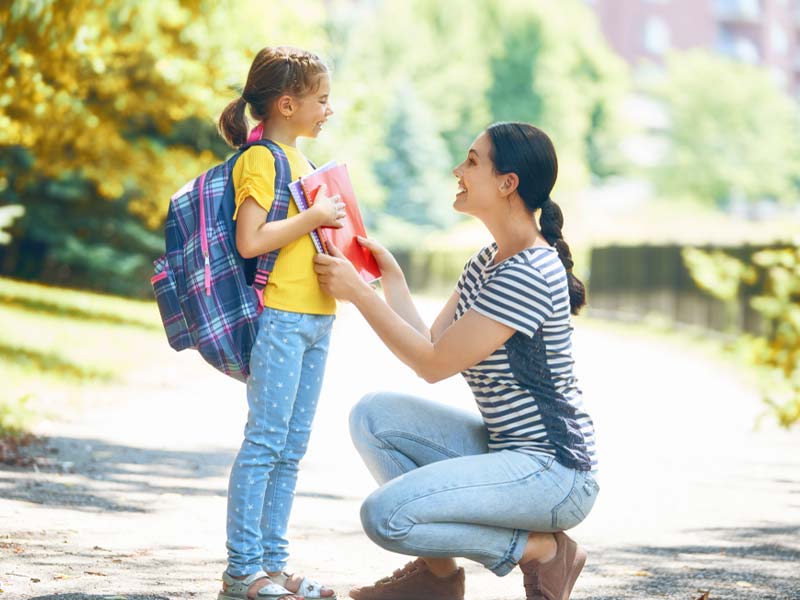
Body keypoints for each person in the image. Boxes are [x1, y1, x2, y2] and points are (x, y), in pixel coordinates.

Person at [313, 122, 599, 600]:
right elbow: (430, 342)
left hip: (554, 473)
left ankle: (542, 551)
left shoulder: (529, 271)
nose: (457, 170)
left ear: (508, 183)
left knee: (386, 516)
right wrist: (392, 282)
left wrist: (359, 295)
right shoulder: (490, 260)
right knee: (374, 415)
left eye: (471, 162)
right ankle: (437, 577)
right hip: (508, 452)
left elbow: (432, 364)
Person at [216, 45, 345, 600]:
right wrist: (315, 217)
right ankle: (242, 569)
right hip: (283, 317)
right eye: (321, 99)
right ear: (287, 104)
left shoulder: (307, 164)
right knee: (266, 442)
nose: (329, 110)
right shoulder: (262, 159)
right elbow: (251, 240)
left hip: (318, 317)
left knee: (292, 447)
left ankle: (273, 563)